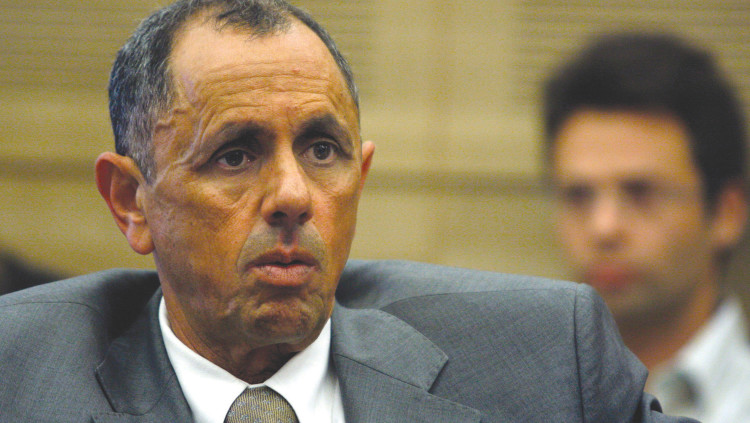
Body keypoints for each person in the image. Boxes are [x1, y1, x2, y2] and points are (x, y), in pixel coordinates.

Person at [0, 2, 694, 421]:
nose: (294, 195)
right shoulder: (23, 375)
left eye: (321, 149)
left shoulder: (545, 360)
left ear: (358, 178)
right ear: (131, 202)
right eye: (235, 155)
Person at [543, 32, 750, 422]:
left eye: (641, 192)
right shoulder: (512, 399)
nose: (603, 228)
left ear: (727, 212)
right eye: (578, 195)